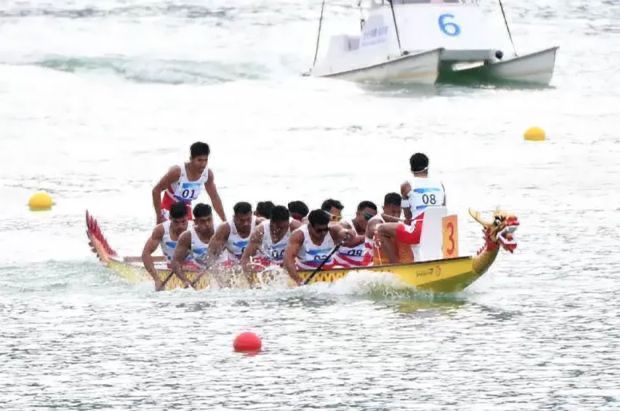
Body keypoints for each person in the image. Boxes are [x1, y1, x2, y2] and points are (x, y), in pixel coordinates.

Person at [377, 153, 446, 263]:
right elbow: (443, 208)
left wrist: (408, 221)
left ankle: (395, 265)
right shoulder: (440, 184)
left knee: (380, 229)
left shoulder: (406, 186)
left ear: (411, 168)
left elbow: (407, 215)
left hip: (418, 232)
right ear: (427, 166)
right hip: (439, 230)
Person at [152, 142, 226, 224]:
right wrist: (159, 216)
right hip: (168, 210)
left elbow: (214, 197)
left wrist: (224, 221)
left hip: (186, 210)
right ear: (191, 159)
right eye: (199, 160)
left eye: (205, 160)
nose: (203, 164)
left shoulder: (208, 174)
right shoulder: (177, 172)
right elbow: (156, 190)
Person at [283, 209, 356, 285]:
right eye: (319, 230)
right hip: (305, 274)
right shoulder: (299, 235)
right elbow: (288, 258)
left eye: (325, 229)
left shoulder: (333, 230)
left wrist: (348, 233)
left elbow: (343, 231)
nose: (323, 233)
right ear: (310, 226)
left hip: (330, 274)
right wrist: (298, 280)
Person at [141, 202, 188, 290]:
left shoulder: (195, 228)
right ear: (170, 218)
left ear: (187, 217)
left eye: (183, 222)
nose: (180, 226)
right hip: (171, 267)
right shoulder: (161, 230)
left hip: (193, 267)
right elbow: (145, 254)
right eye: (176, 222)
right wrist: (156, 279)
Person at [240, 205, 302, 272]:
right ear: (272, 223)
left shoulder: (297, 228)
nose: (283, 230)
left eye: (285, 227)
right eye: (280, 228)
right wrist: (250, 271)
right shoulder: (259, 232)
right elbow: (245, 258)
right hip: (266, 264)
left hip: (287, 262)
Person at [169, 203, 216, 288]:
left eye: (209, 219)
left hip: (221, 268)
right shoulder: (187, 236)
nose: (207, 224)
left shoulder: (222, 231)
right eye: (203, 221)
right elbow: (175, 262)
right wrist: (185, 281)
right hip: (198, 270)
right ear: (196, 222)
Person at [205, 202, 262, 266]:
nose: (245, 223)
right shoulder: (225, 229)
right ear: (234, 217)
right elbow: (211, 255)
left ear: (252, 215)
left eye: (248, 219)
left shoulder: (260, 224)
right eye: (241, 220)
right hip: (235, 265)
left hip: (256, 262)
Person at [366, 192, 413, 264]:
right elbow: (375, 229)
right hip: (373, 264)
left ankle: (408, 264)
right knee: (382, 232)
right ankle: (396, 265)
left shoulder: (399, 223)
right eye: (393, 212)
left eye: (399, 212)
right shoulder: (375, 220)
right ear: (384, 208)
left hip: (394, 263)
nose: (396, 216)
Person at [335, 201, 377, 267]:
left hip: (363, 273)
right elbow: (336, 228)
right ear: (357, 214)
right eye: (367, 217)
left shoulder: (372, 229)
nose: (370, 221)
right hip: (342, 271)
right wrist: (343, 231)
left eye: (373, 219)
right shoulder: (345, 225)